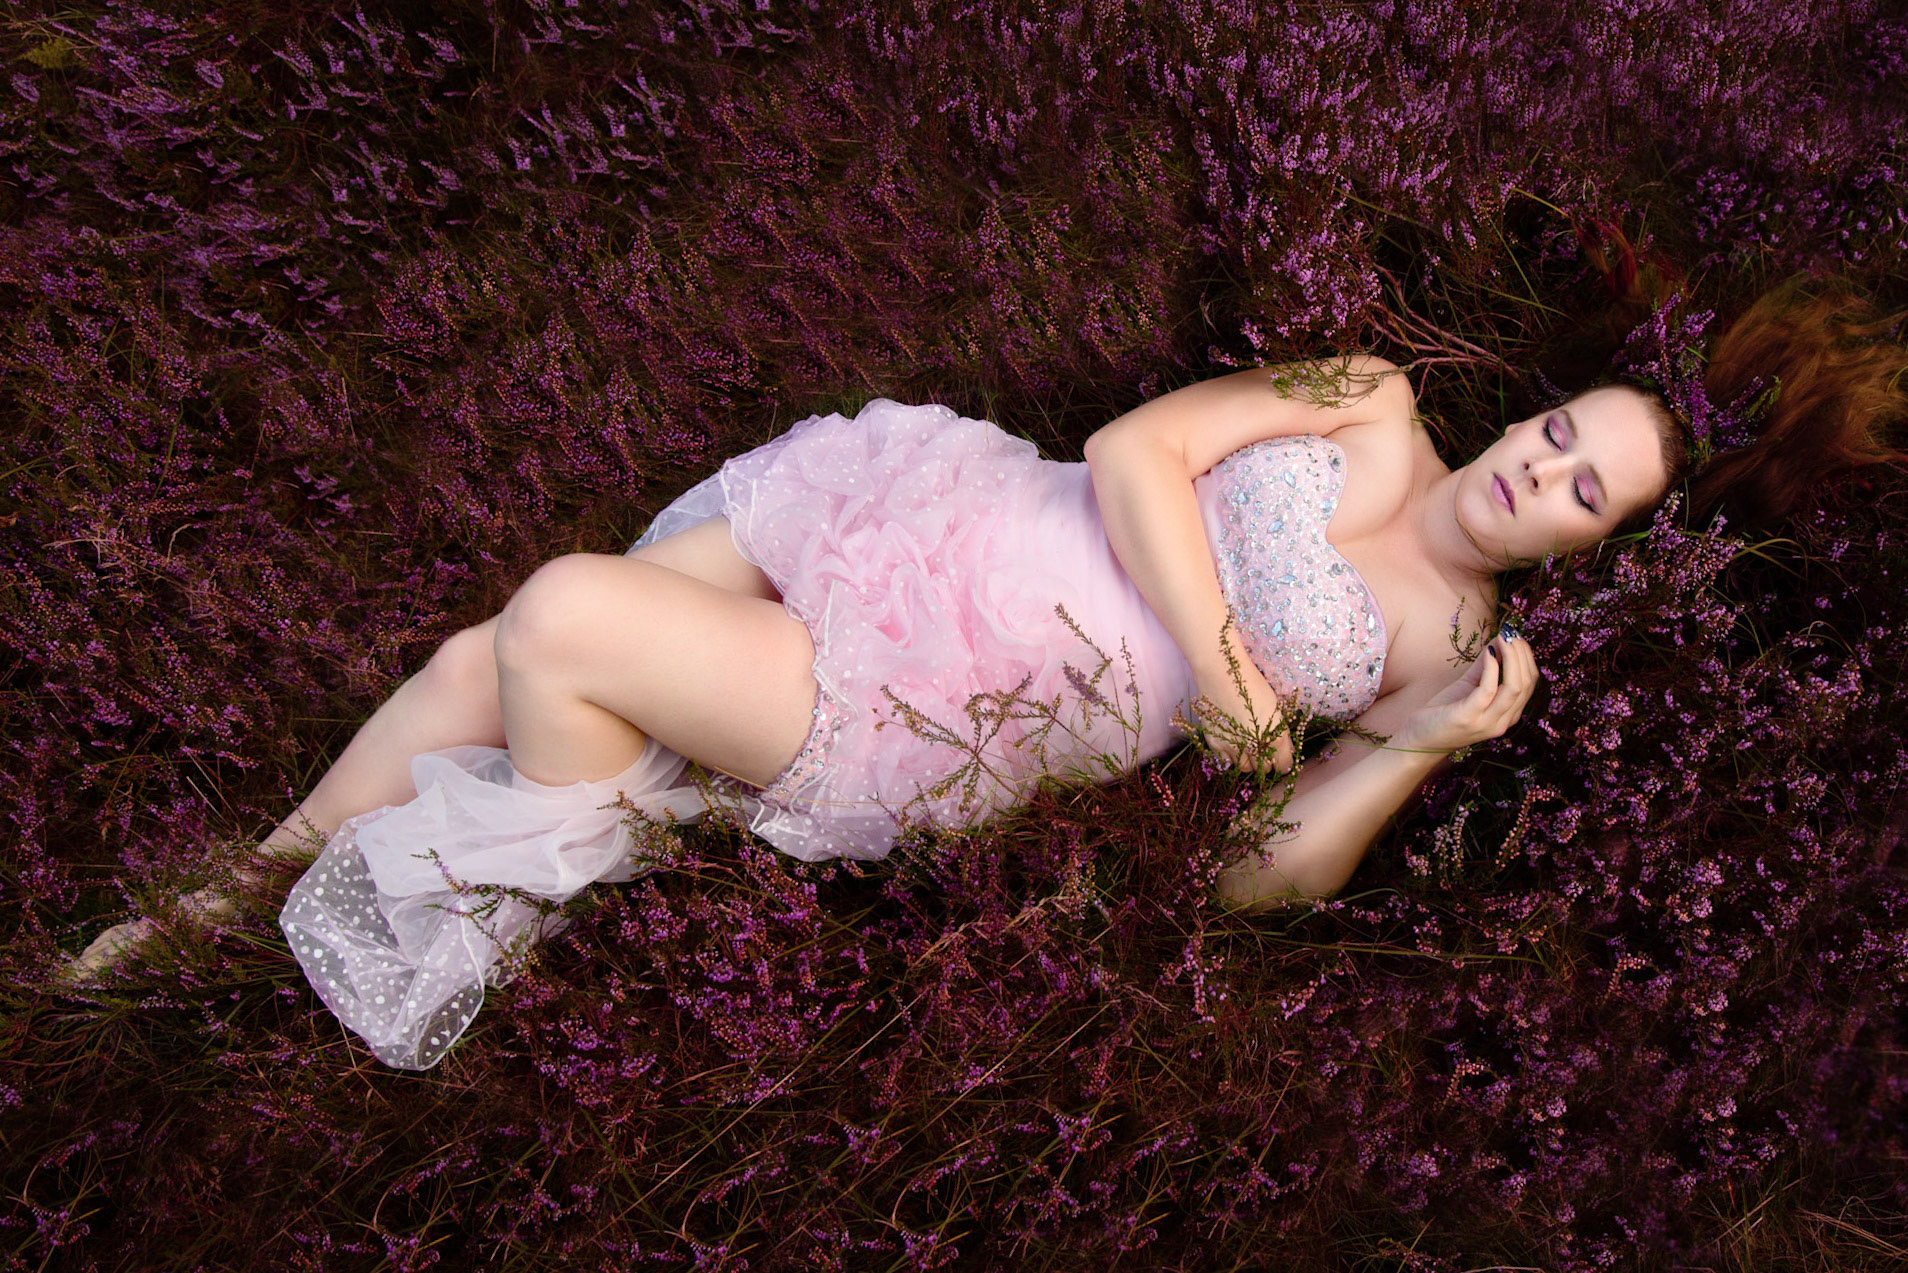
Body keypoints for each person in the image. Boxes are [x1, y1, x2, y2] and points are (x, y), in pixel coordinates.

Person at [66, 273, 1906, 1069]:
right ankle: (238, 893)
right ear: (1530, 405)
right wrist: (1228, 659)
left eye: (1586, 491)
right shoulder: (1370, 400)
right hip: (925, 511)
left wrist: (1410, 749)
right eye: (1563, 429)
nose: (1542, 470)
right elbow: (1128, 449)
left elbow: (1258, 878)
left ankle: (527, 883)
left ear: (1592, 548)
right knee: (486, 650)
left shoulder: (1458, 655)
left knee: (557, 623)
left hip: (942, 704)